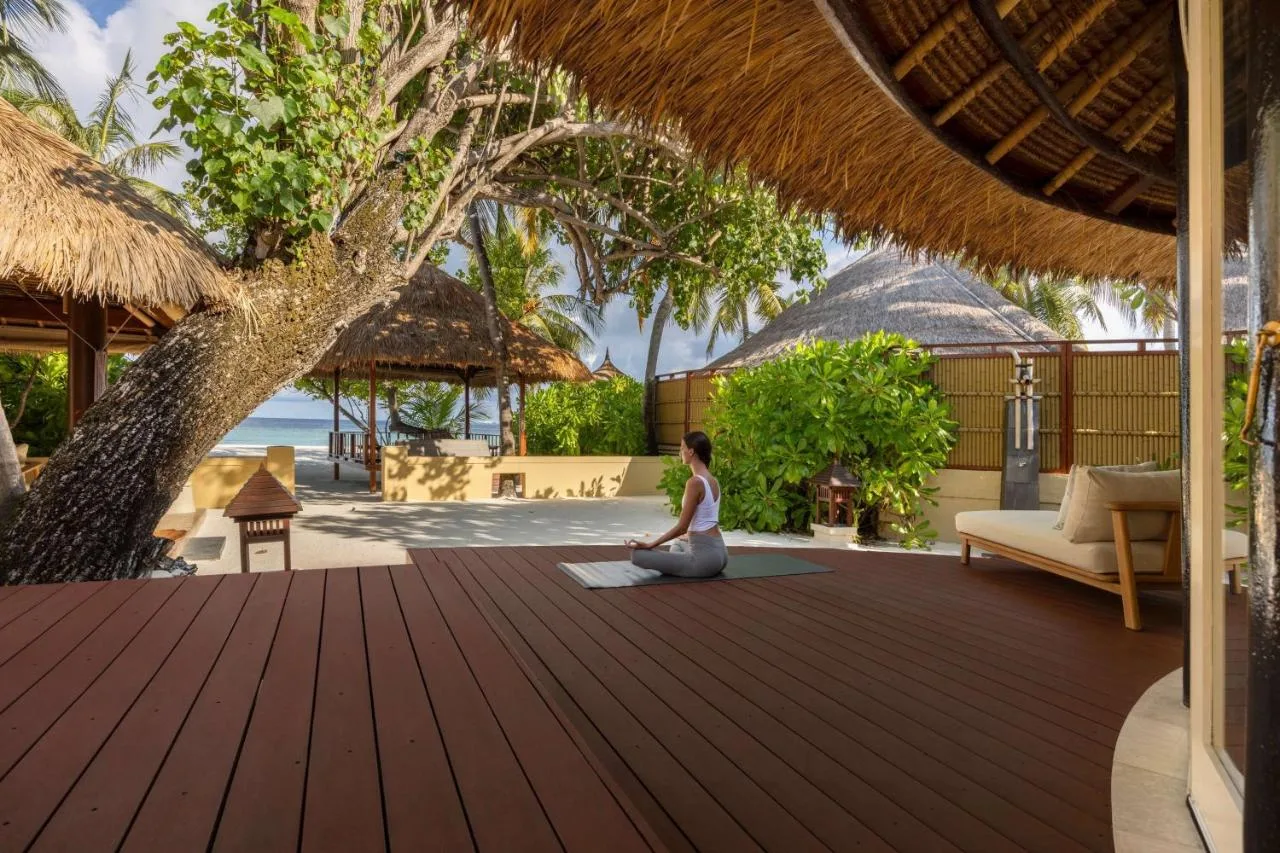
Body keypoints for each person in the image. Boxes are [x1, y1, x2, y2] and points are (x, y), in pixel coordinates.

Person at [626, 431, 729, 577]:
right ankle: (680, 563)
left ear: (691, 451)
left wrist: (650, 545)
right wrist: (689, 536)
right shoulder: (712, 480)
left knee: (637, 556)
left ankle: (680, 564)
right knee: (678, 544)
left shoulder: (695, 482)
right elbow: (704, 521)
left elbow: (681, 527)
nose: (680, 452)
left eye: (682, 448)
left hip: (704, 561)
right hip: (720, 553)